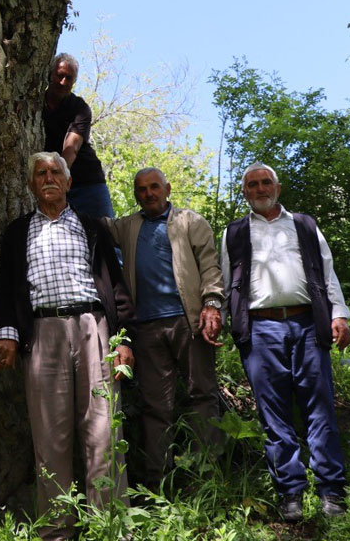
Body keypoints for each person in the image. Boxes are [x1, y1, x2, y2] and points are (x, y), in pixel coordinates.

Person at [0, 152, 134, 541]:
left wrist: (122, 340)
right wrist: (7, 332)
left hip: (94, 328)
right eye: (41, 173)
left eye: (56, 172)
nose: (49, 178)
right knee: (49, 436)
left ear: (69, 183)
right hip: (41, 333)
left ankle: (110, 524)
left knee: (104, 430)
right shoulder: (17, 232)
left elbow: (116, 285)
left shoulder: (92, 228)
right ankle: (57, 530)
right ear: (32, 184)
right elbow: (5, 289)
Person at [220, 162, 350, 522]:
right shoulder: (234, 233)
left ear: (277, 188)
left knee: (320, 409)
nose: (260, 189)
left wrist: (339, 314)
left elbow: (327, 273)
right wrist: (214, 313)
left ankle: (332, 492)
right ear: (244, 191)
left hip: (308, 325)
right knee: (273, 415)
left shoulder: (304, 225)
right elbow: (223, 283)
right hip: (260, 331)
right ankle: (290, 492)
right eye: (253, 184)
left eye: (266, 183)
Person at [106, 167, 224, 484]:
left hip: (189, 322)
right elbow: (95, 226)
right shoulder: (127, 226)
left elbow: (210, 267)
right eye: (141, 189)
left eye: (154, 187)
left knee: (202, 396)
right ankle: (159, 482)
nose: (148, 194)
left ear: (167, 188)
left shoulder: (190, 222)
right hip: (146, 329)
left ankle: (206, 476)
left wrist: (212, 304)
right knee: (155, 407)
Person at [42, 53, 114, 218]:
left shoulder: (79, 108)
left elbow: (71, 148)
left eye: (69, 78)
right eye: (60, 75)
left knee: (107, 235)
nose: (63, 82)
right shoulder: (35, 104)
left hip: (87, 183)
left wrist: (57, 179)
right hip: (50, 184)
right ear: (50, 74)